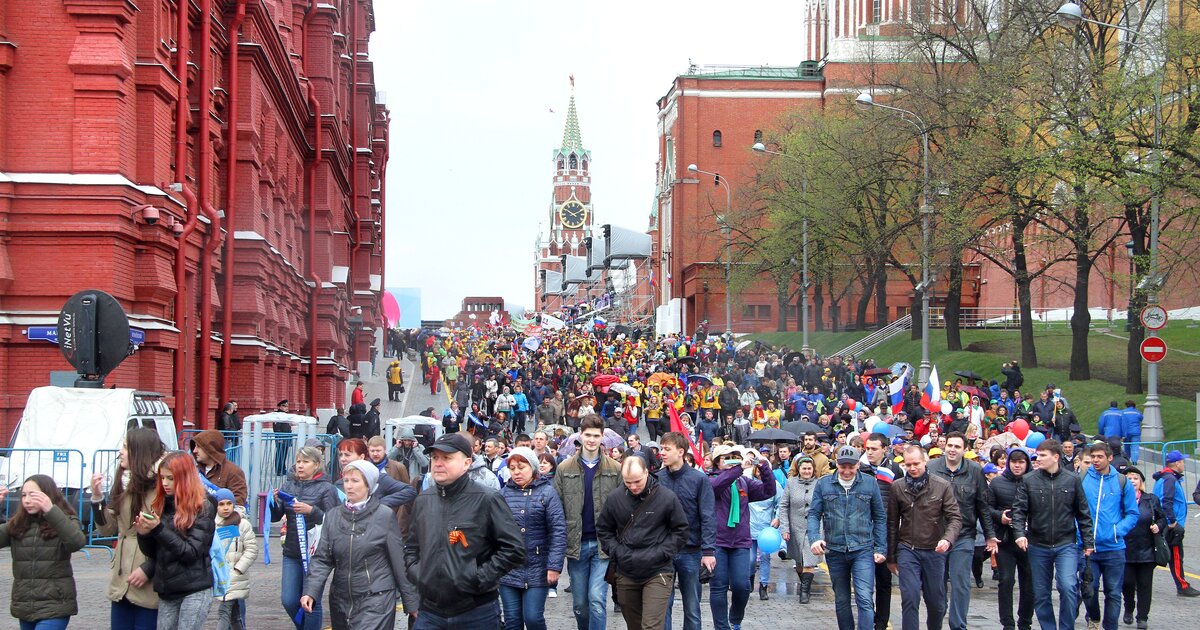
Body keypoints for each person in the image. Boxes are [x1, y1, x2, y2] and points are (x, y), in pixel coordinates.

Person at [405, 433, 526, 628]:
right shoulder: (423, 500)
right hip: (430, 610)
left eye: (447, 458)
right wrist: (419, 575)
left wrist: (477, 578)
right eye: (435, 457)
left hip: (476, 611)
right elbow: (412, 547)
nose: (438, 463)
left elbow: (514, 549)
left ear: (466, 463)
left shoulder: (487, 499)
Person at [301, 460, 417, 629]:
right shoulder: (333, 516)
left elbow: (399, 561)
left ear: (368, 485)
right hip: (341, 599)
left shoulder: (383, 516)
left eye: (355, 481)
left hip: (377, 598)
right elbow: (322, 559)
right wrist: (310, 591)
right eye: (346, 480)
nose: (349, 486)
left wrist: (411, 602)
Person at [597, 455, 690, 630]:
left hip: (658, 570)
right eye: (628, 482)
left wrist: (662, 553)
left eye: (637, 481)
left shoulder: (666, 497)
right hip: (626, 570)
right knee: (634, 626)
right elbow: (604, 530)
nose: (633, 487)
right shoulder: (615, 498)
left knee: (651, 626)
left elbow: (681, 530)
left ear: (647, 472)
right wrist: (617, 552)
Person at [1012, 439, 1095, 630]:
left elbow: (1083, 513)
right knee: (1041, 593)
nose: (1038, 459)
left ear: (1056, 457)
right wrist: (1019, 533)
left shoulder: (1072, 480)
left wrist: (1087, 542)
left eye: (1043, 455)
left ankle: (1067, 627)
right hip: (1037, 544)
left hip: (1065, 543)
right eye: (1038, 455)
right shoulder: (1029, 480)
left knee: (1068, 586)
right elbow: (1019, 511)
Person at [89, 427, 165, 629]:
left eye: (125, 447)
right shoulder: (123, 481)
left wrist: (149, 569)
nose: (120, 452)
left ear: (139, 451)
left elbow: (171, 535)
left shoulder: (162, 485)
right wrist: (97, 498)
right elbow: (107, 529)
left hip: (149, 580)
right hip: (121, 579)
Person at [806, 446, 888, 630]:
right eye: (843, 466)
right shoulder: (824, 483)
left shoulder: (869, 483)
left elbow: (880, 517)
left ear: (858, 464)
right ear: (836, 464)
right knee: (842, 600)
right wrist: (814, 538)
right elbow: (813, 514)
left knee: (864, 597)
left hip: (863, 549)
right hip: (835, 550)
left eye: (851, 466)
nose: (847, 471)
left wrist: (881, 548)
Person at [553, 414, 622, 630]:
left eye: (596, 436)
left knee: (596, 599)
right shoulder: (564, 468)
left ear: (602, 438)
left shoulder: (615, 468)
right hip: (577, 544)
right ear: (580, 436)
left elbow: (622, 508)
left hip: (603, 544)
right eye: (588, 435)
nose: (591, 440)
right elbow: (557, 508)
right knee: (580, 604)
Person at [135, 452, 216, 630]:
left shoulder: (203, 506)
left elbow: (191, 552)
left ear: (184, 478)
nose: (164, 483)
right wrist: (144, 534)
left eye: (171, 478)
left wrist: (158, 529)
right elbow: (154, 552)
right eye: (162, 478)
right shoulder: (163, 503)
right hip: (167, 589)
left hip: (194, 587)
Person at [927, 432, 999, 630]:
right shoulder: (931, 468)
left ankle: (958, 625)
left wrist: (990, 536)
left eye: (957, 447)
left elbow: (982, 506)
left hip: (963, 535)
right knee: (936, 586)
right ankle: (936, 621)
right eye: (949, 445)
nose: (952, 449)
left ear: (965, 449)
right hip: (936, 535)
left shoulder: (975, 471)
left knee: (960, 583)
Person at [887, 445, 962, 630]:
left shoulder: (942, 485)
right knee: (910, 597)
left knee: (937, 604)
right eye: (908, 464)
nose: (912, 468)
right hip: (908, 549)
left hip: (934, 550)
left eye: (916, 464)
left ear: (925, 461)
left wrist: (947, 539)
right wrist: (891, 557)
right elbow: (891, 524)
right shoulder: (898, 487)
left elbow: (955, 518)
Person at [0, 474, 87, 630]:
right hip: (25, 606)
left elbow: (77, 542)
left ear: (48, 496)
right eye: (23, 495)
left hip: (55, 605)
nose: (26, 500)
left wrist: (51, 511)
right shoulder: (18, 524)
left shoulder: (66, 519)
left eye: (33, 495)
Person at [268, 445, 341, 630]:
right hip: (292, 551)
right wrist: (273, 503)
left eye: (305, 462)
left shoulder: (327, 488)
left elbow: (334, 520)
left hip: (316, 553)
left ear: (316, 465)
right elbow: (277, 516)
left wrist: (312, 511)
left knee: (310, 601)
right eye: (298, 461)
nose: (300, 466)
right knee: (289, 600)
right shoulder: (288, 484)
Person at [709, 443, 775, 630]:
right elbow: (717, 486)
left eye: (735, 457)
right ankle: (722, 627)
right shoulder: (709, 479)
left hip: (740, 541)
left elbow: (768, 491)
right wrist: (738, 468)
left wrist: (763, 466)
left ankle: (735, 620)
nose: (732, 461)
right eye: (727, 458)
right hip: (717, 541)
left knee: (742, 586)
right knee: (719, 587)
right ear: (717, 462)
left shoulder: (743, 482)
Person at [499, 447, 567, 630]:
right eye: (512, 468)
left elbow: (558, 531)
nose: (517, 472)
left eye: (521, 467)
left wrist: (554, 565)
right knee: (512, 621)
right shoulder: (504, 493)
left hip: (537, 566)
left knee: (533, 618)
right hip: (509, 568)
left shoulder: (547, 493)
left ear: (533, 467)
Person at [655, 431, 716, 630]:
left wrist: (708, 551)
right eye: (661, 448)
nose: (662, 452)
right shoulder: (656, 479)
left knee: (692, 607)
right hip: (663, 551)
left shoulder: (699, 479)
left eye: (667, 449)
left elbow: (707, 516)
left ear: (681, 452)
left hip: (691, 550)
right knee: (663, 605)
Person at [1080, 441, 1140, 630]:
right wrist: (1079, 532)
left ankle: (1110, 626)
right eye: (1093, 457)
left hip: (1114, 548)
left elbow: (1132, 513)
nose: (1095, 461)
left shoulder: (1121, 481)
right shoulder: (1082, 478)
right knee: (1089, 590)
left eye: (1099, 457)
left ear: (1110, 458)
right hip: (1088, 547)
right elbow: (1072, 508)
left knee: (1113, 593)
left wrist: (1117, 530)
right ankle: (1094, 617)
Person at [987, 447, 1034, 630]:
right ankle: (1007, 622)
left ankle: (1025, 622)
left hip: (1029, 540)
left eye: (1021, 462)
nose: (1017, 465)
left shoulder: (1033, 481)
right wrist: (1000, 516)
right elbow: (987, 508)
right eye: (1014, 462)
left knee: (1029, 582)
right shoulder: (997, 483)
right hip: (1005, 540)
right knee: (1006, 580)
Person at [1122, 466, 1166, 629]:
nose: (1132, 481)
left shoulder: (1151, 499)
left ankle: (1142, 617)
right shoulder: (1120, 499)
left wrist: (1158, 527)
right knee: (1127, 583)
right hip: (1126, 549)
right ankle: (1128, 608)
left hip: (1147, 549)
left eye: (1135, 478)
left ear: (1140, 481)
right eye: (1129, 478)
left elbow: (1162, 518)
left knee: (1145, 585)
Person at [1152, 449, 1200, 596]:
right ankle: (1182, 585)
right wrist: (1172, 521)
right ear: (1177, 463)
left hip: (1164, 523)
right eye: (1182, 461)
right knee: (1174, 555)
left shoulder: (1165, 477)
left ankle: (1134, 580)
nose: (1183, 464)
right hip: (1171, 525)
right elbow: (1167, 501)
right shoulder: (1170, 479)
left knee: (1158, 553)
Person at [776, 455, 821, 604]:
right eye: (804, 468)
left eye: (809, 468)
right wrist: (785, 528)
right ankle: (804, 583)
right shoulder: (791, 483)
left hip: (813, 528)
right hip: (795, 527)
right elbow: (783, 506)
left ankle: (804, 592)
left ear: (813, 469)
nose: (807, 471)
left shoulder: (819, 484)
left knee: (809, 560)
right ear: (799, 469)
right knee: (800, 561)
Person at [212, 488, 258, 630]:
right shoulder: (211, 524)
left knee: (224, 612)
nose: (226, 507)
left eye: (229, 503)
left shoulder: (243, 524)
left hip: (235, 577)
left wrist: (238, 568)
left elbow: (252, 549)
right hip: (219, 576)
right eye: (221, 504)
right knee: (234, 614)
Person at [748, 453, 782, 600]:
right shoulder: (748, 483)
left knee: (765, 557)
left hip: (765, 529)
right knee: (749, 559)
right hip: (749, 526)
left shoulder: (775, 485)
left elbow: (780, 503)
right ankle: (749, 578)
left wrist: (777, 517)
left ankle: (763, 585)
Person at [190, 429, 248, 507]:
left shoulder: (233, 472)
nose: (194, 451)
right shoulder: (194, 471)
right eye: (194, 446)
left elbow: (237, 502)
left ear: (210, 448)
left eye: (199, 447)